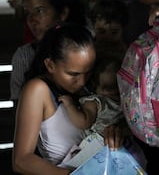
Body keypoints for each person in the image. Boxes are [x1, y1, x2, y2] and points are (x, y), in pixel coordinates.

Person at [12, 24, 96, 173]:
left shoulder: (87, 87)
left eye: (88, 72)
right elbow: (21, 160)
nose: (82, 81)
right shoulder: (38, 89)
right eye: (73, 74)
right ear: (50, 65)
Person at [9, 0, 88, 102]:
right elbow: (18, 108)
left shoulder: (85, 50)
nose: (31, 20)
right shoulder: (24, 56)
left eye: (39, 11)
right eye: (27, 13)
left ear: (63, 13)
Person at [58, 51, 124, 138]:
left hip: (100, 146)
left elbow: (83, 122)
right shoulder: (125, 103)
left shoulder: (96, 102)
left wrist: (69, 104)